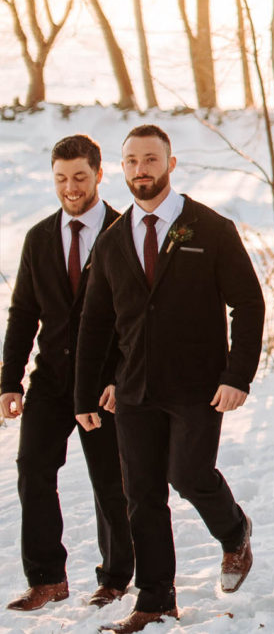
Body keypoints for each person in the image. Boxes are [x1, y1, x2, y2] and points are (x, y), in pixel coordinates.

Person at [74, 125, 262, 634]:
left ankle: (235, 530)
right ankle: (156, 600)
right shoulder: (111, 243)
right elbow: (95, 324)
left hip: (199, 385)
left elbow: (247, 304)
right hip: (133, 391)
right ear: (121, 168)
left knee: (189, 474)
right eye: (132, 160)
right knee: (142, 496)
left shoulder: (211, 229)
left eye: (151, 159)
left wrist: (237, 374)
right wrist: (85, 392)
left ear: (171, 164)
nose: (142, 169)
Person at [2, 135, 133, 612]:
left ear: (99, 174)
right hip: (51, 380)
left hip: (104, 383)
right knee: (32, 470)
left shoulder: (125, 232)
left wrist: (121, 376)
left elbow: (137, 315)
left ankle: (116, 577)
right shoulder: (39, 237)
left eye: (79, 176)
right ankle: (47, 579)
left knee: (110, 481)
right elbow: (22, 313)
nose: (70, 187)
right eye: (61, 178)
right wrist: (9, 381)